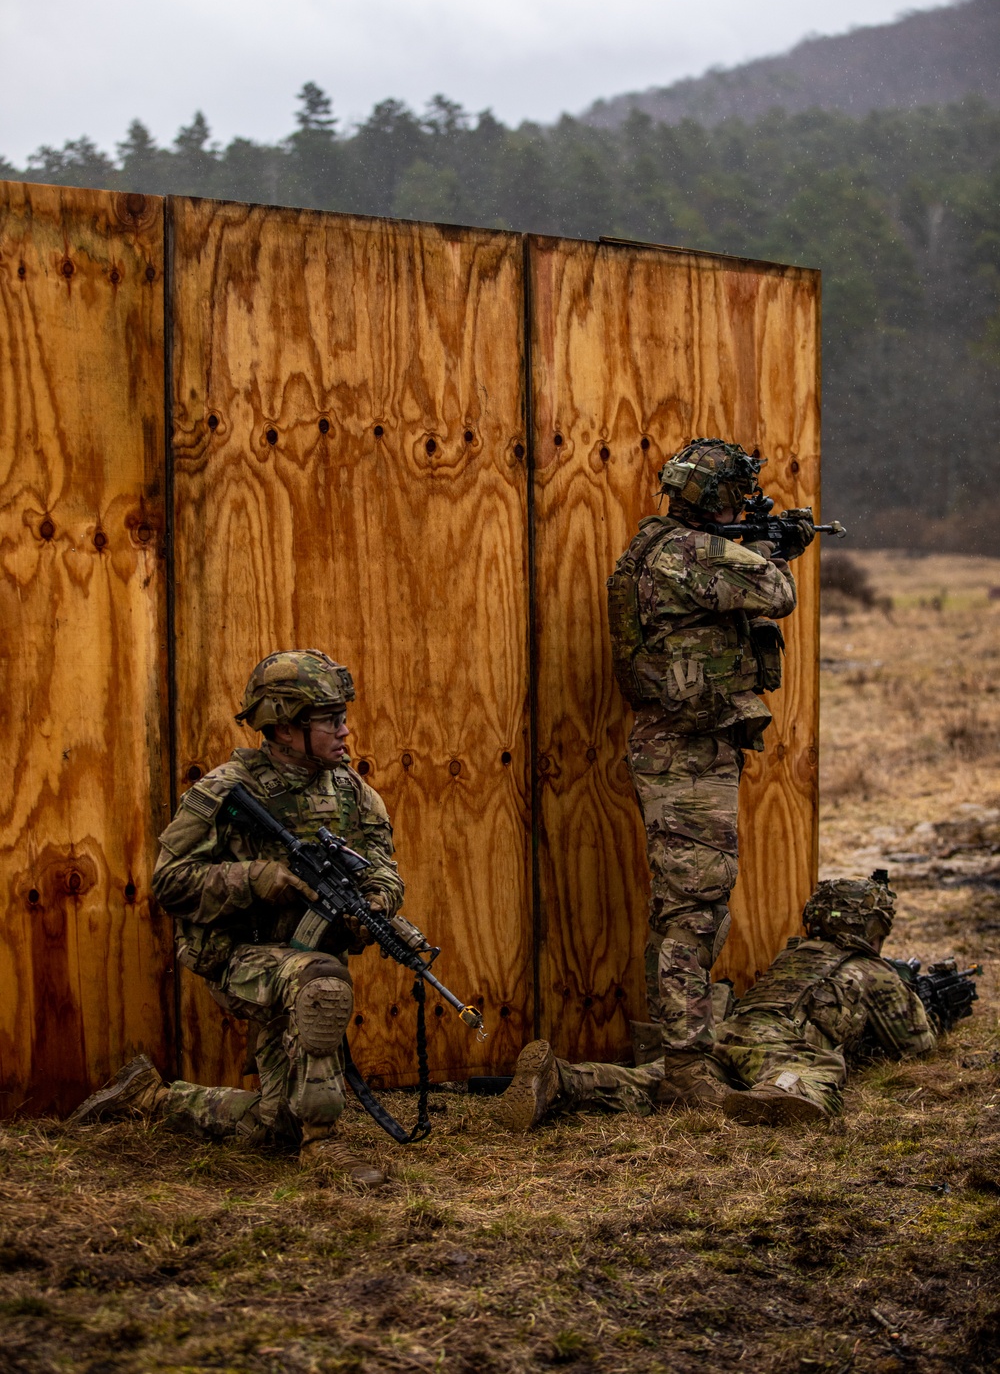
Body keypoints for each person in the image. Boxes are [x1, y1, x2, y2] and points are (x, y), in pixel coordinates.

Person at [69, 650, 403, 1185]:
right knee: (323, 984)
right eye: (331, 720)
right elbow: (169, 883)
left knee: (276, 1124)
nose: (346, 731)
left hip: (305, 958)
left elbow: (384, 871)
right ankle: (326, 1146)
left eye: (344, 717)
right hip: (237, 958)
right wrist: (255, 879)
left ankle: (152, 1098)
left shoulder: (354, 794)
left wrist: (378, 904)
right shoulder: (225, 792)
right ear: (286, 727)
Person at [605, 437, 813, 1104]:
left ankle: (663, 1056)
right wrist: (775, 551)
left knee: (680, 908)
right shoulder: (691, 553)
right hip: (686, 751)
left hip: (679, 744)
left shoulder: (657, 545)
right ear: (722, 499)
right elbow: (775, 592)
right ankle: (688, 1068)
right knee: (697, 908)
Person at [496, 874, 940, 1130]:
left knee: (657, 1082)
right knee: (816, 1069)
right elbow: (915, 1044)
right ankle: (775, 1094)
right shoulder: (871, 971)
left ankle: (565, 1081)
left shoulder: (794, 955)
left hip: (724, 1033)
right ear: (871, 929)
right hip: (777, 1045)